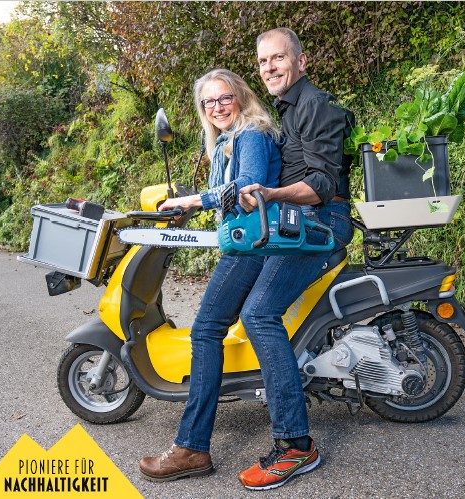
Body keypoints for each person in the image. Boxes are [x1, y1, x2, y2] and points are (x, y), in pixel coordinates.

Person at [140, 28, 353, 491]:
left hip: (318, 224)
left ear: (301, 60)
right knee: (209, 326)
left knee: (257, 314)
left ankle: (296, 445)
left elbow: (319, 184)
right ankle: (194, 446)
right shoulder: (283, 111)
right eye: (263, 62)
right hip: (289, 223)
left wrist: (263, 195)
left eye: (279, 58)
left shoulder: (314, 108)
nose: (271, 67)